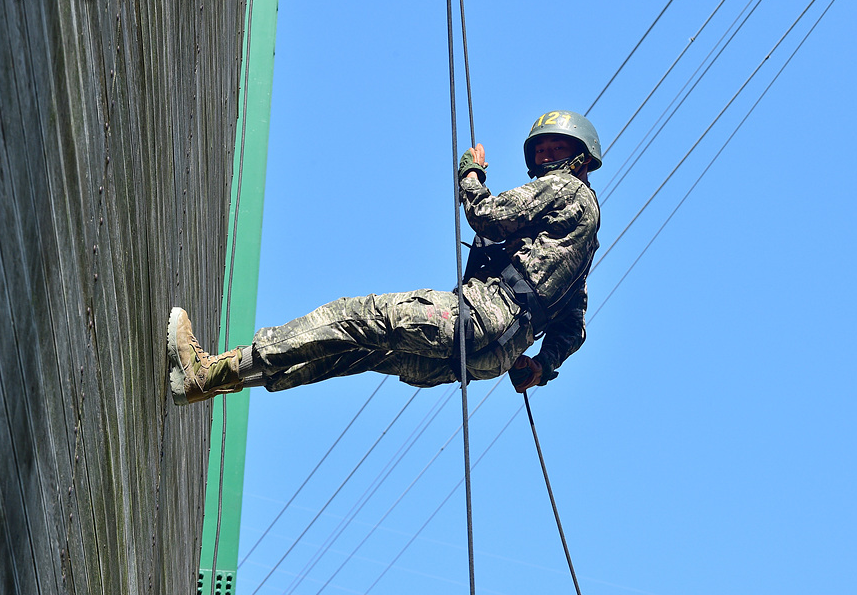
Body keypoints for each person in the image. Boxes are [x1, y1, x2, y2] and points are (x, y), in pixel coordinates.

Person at [166, 110, 602, 405]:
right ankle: (220, 380)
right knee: (355, 352)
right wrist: (541, 367)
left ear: (580, 160)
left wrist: (471, 174)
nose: (546, 155)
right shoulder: (584, 239)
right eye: (541, 148)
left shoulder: (568, 189)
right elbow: (573, 326)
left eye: (556, 148)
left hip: (480, 317)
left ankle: (206, 373)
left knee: (357, 317)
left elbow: (486, 216)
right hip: (493, 357)